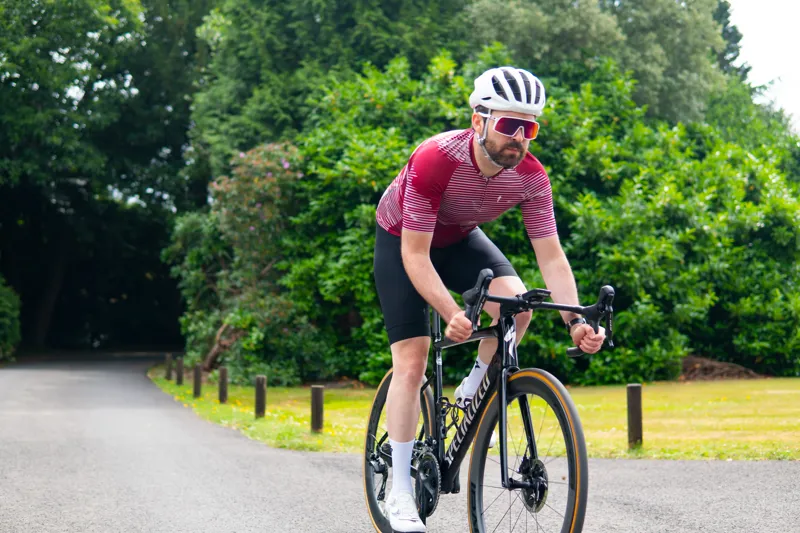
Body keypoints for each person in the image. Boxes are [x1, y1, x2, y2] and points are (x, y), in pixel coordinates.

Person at [372, 66, 606, 532]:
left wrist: (575, 321)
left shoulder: (532, 177)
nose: (519, 138)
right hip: (403, 241)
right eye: (509, 124)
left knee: (518, 305)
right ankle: (400, 491)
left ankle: (474, 386)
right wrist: (451, 312)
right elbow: (415, 256)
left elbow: (551, 257)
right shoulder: (436, 158)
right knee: (412, 362)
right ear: (478, 120)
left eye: (529, 128)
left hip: (459, 237)